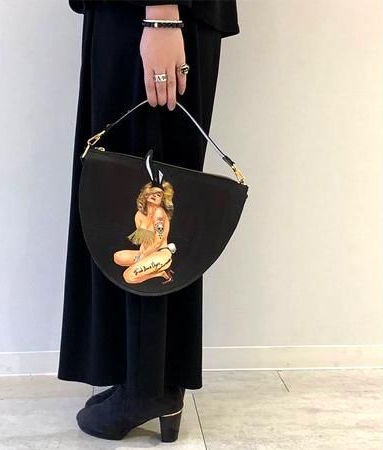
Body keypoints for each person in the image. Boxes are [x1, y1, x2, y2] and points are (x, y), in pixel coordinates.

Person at [58, 0, 240, 442]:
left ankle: (146, 387)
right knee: (132, 186)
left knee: (142, 188)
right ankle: (152, 379)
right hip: (148, 14)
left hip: (154, 14)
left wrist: (161, 14)